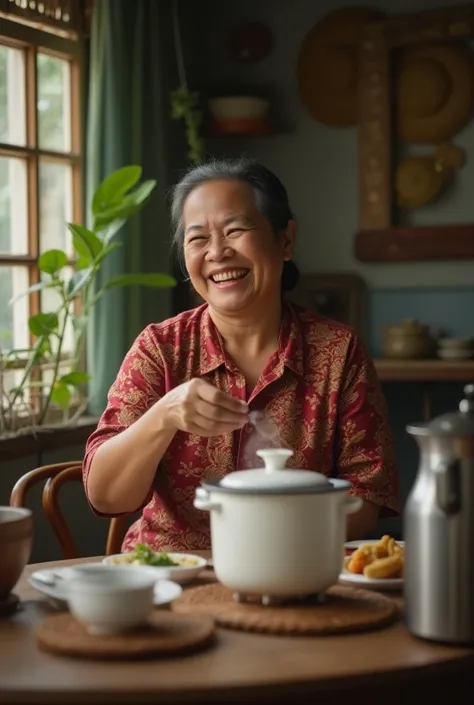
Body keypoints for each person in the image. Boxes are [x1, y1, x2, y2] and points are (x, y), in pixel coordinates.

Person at [83, 157, 399, 552]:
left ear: (285, 241)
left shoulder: (338, 351)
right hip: (173, 577)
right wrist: (164, 416)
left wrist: (265, 528)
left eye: (235, 230)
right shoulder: (160, 349)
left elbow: (366, 498)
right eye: (198, 238)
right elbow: (106, 496)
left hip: (292, 572)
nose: (217, 252)